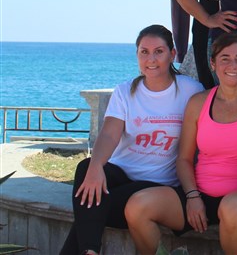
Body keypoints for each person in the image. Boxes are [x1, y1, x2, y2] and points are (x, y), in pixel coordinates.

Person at [60, 25, 204, 255]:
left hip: (158, 186)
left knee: (92, 207)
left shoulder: (191, 91)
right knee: (86, 168)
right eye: (144, 52)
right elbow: (109, 134)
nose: (151, 59)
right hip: (120, 176)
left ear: (173, 54)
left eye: (159, 51)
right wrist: (97, 166)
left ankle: (89, 250)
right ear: (137, 55)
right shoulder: (125, 91)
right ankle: (90, 251)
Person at [125, 33, 237, 255]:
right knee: (137, 206)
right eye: (225, 58)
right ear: (213, 64)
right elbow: (184, 159)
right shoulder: (198, 102)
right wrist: (192, 196)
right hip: (198, 194)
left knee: (232, 208)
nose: (232, 65)